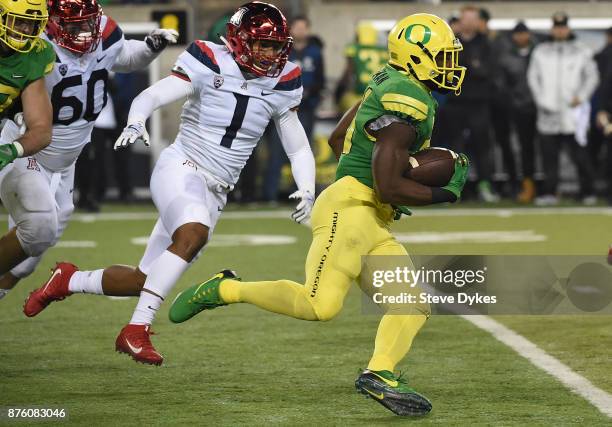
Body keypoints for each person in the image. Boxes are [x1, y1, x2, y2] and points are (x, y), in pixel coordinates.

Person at [169, 13, 470, 417]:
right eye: (442, 55)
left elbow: (336, 138)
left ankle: (379, 374)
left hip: (369, 214)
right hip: (350, 210)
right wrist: (445, 192)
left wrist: (393, 165)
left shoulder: (392, 81)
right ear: (416, 57)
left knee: (411, 305)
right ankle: (225, 289)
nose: (450, 65)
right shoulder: (407, 98)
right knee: (319, 306)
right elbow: (388, 187)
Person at [24, 2, 316, 367]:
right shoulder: (209, 59)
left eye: (275, 47)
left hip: (217, 189)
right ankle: (136, 330)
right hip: (182, 166)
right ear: (239, 40)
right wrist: (136, 120)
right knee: (193, 234)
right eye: (261, 44)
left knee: (142, 279)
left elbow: (297, 142)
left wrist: (307, 187)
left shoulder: (285, 78)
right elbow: (151, 95)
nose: (269, 54)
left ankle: (67, 280)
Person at [0, 0, 178, 298]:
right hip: (29, 147)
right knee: (38, 229)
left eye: (87, 23)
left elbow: (123, 57)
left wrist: (149, 48)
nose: (83, 31)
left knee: (31, 255)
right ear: (53, 23)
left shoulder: (104, 34)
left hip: (67, 157)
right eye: (73, 25)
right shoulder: (35, 43)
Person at [0, 0, 55, 301]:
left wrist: (11, 150)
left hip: (3, 134)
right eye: (18, 21)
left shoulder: (36, 55)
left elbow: (41, 129)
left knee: (41, 225)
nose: (25, 30)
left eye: (32, 24)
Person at [528, 12, 599, 205]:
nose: (560, 30)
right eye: (557, 27)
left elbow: (592, 77)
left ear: (568, 28)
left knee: (580, 156)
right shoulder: (541, 51)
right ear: (552, 29)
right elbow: (533, 78)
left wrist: (582, 97)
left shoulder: (581, 51)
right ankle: (550, 193)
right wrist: (541, 100)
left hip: (574, 114)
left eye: (563, 27)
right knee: (549, 158)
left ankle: (588, 192)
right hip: (547, 113)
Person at [263, 15, 324, 202]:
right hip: (282, 110)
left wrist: (307, 94)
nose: (300, 31)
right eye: (297, 27)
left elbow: (320, 80)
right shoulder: (283, 51)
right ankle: (270, 194)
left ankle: (300, 194)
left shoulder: (315, 52)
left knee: (303, 150)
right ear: (291, 29)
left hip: (305, 109)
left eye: (303, 27)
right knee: (276, 151)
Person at [444, 5, 499, 202]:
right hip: (455, 102)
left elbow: (488, 72)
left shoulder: (487, 44)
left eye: (471, 18)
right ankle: (458, 188)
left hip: (478, 103)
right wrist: (472, 66)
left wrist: (470, 67)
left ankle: (485, 185)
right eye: (464, 18)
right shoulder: (450, 43)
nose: (467, 22)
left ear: (477, 21)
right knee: (455, 148)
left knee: (482, 146)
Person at [498, 22, 538, 203]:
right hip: (516, 108)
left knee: (538, 149)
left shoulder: (540, 53)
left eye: (524, 33)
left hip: (540, 106)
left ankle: (540, 186)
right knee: (517, 147)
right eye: (518, 34)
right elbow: (501, 84)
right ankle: (520, 184)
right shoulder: (506, 57)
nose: (521, 37)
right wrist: (513, 101)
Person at [335, 21, 387, 113]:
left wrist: (339, 92)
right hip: (382, 96)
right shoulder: (384, 51)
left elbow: (348, 74)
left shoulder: (353, 49)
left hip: (361, 94)